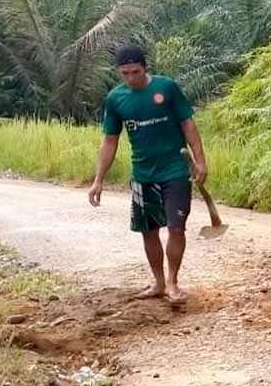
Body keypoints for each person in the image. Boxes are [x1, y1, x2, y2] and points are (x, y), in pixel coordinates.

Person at [88, 45, 207, 304]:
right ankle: (159, 282)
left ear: (146, 68)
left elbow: (188, 124)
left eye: (136, 72)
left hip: (175, 169)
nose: (131, 78)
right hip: (143, 173)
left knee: (176, 228)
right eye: (125, 73)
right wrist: (98, 179)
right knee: (148, 230)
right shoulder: (116, 99)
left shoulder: (167, 88)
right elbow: (109, 141)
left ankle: (173, 282)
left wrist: (200, 161)